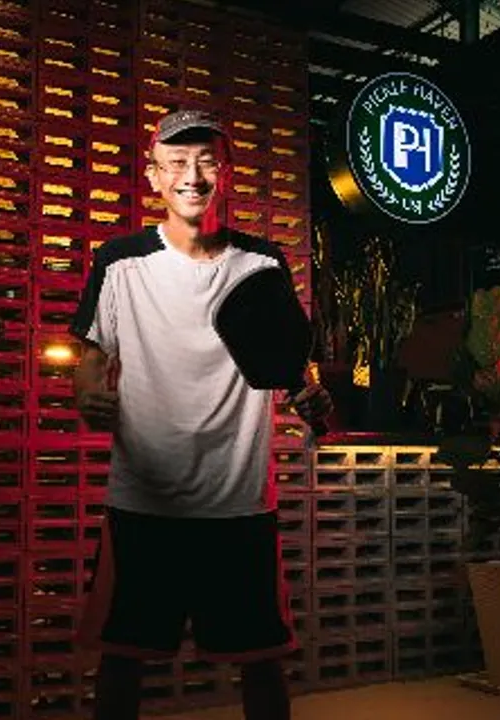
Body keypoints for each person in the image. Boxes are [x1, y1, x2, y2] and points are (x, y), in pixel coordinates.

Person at [69, 109, 333, 720]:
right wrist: (86, 392)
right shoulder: (119, 260)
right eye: (177, 163)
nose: (192, 175)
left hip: (238, 500)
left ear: (226, 174)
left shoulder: (262, 263)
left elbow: (289, 359)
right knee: (121, 660)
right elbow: (91, 355)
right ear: (154, 175)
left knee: (262, 662)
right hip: (143, 500)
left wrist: (309, 393)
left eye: (207, 161)